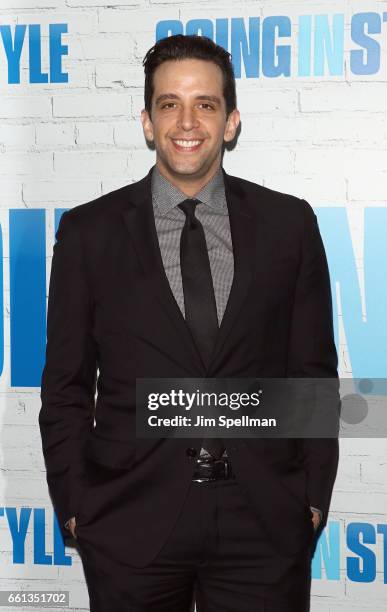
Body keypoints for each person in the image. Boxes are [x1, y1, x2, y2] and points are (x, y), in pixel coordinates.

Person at [39, 34, 339, 612]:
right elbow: (66, 386)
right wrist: (78, 504)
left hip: (263, 523)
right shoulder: (88, 234)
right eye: (169, 103)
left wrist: (310, 496)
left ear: (230, 122)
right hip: (129, 521)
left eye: (205, 103)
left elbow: (312, 374)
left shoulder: (289, 226)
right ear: (148, 122)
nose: (187, 120)